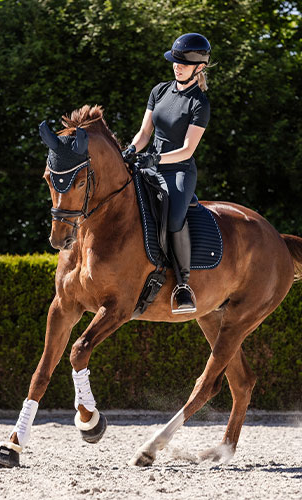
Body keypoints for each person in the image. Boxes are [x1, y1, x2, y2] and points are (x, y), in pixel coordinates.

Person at [124, 33, 211, 314]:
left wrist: (156, 158)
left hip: (179, 171)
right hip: (149, 162)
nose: (177, 66)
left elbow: (187, 149)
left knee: (174, 217)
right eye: (175, 61)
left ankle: (183, 285)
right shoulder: (159, 91)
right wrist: (130, 150)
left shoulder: (199, 103)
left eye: (184, 64)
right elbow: (144, 133)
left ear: (200, 68)